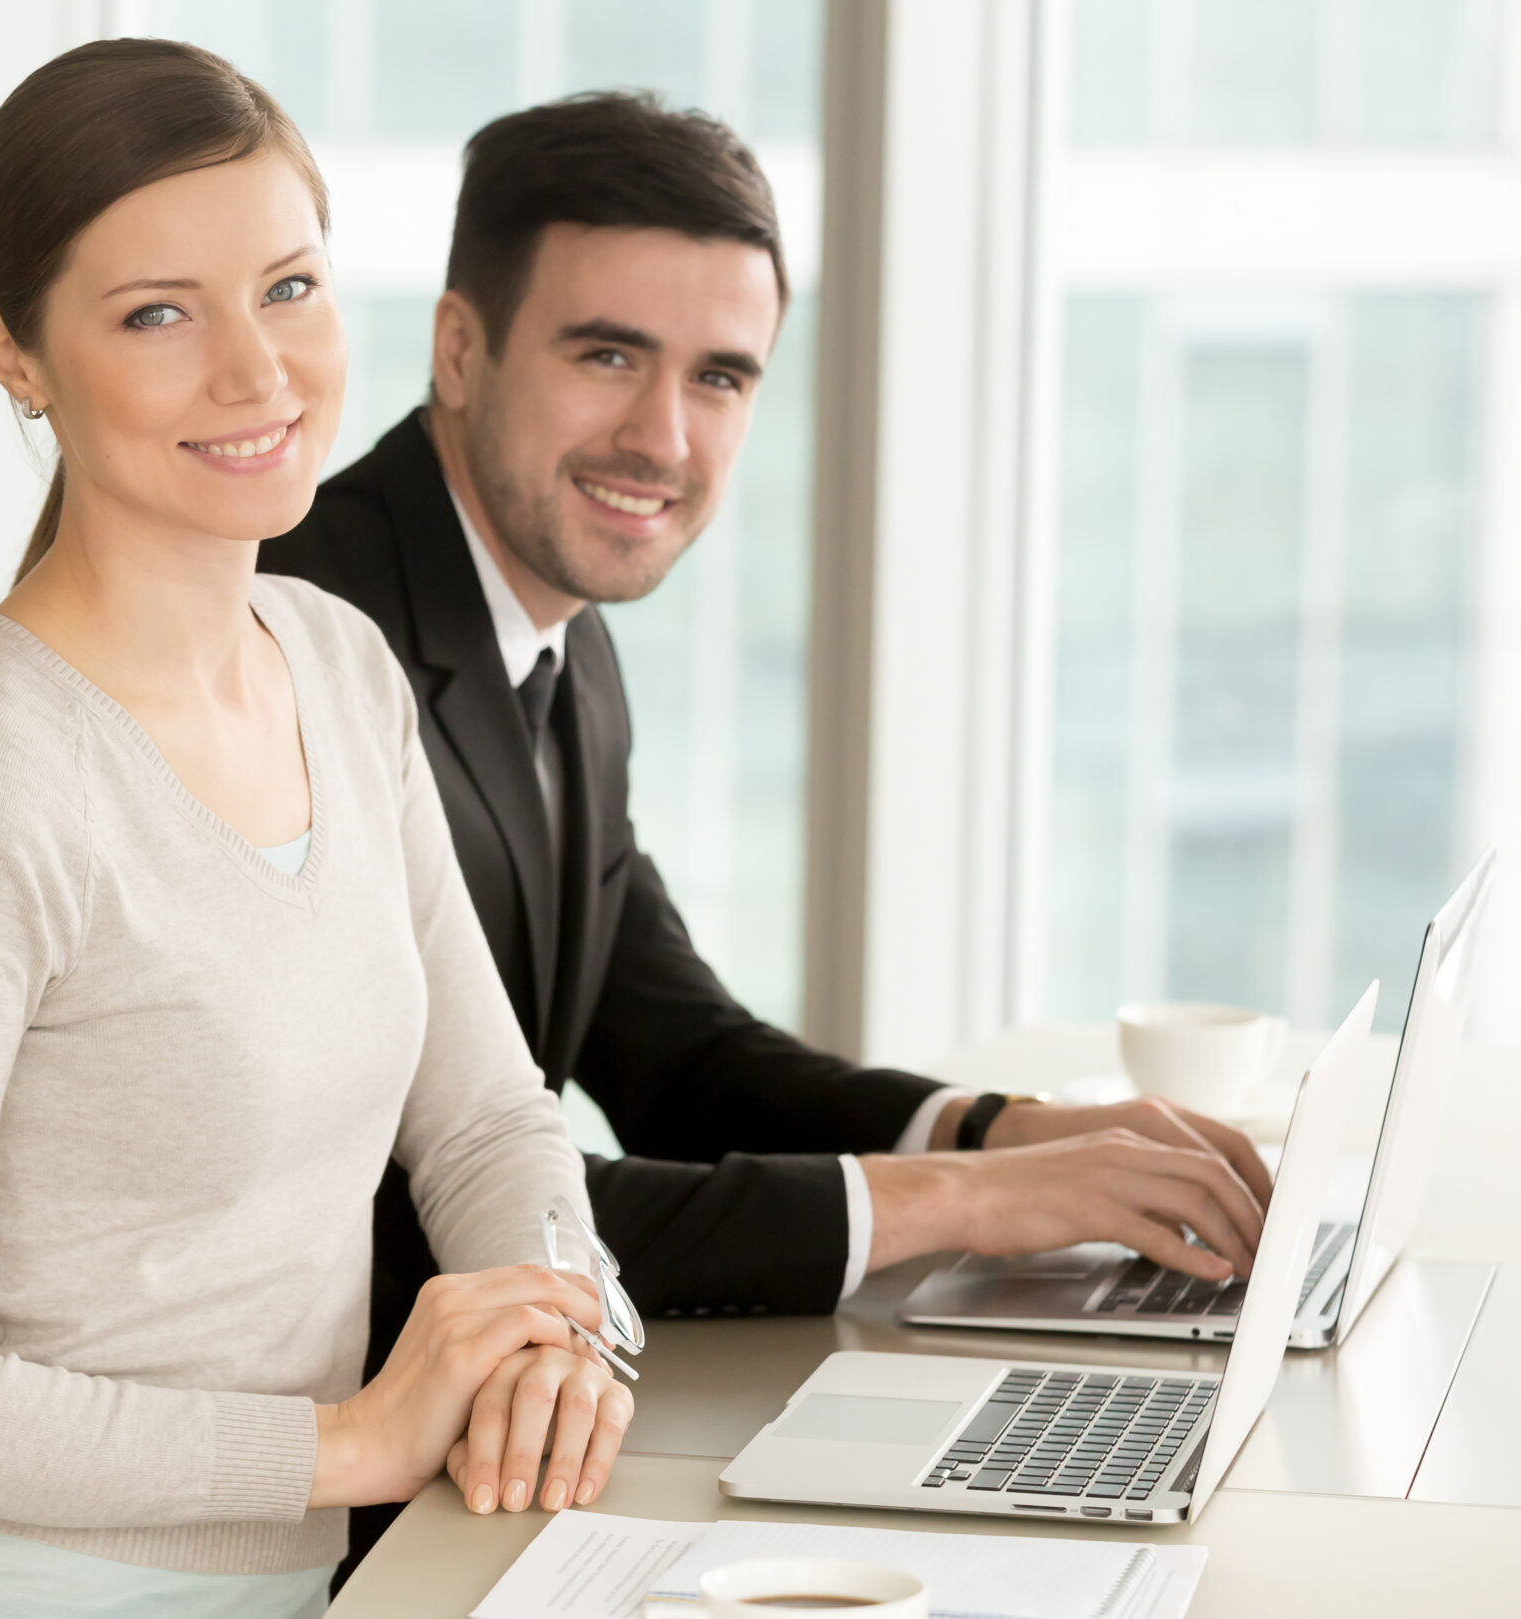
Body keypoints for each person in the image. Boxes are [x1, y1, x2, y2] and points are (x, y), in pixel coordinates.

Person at [259, 93, 1277, 1556]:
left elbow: (677, 1055)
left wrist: (1010, 1131)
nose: (662, 436)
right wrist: (971, 1203)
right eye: (608, 355)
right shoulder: (310, 634)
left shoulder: (555, 639)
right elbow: (414, 1221)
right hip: (313, 1507)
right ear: (459, 348)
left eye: (721, 376)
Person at [0, 41, 631, 1619]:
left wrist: (566, 1332)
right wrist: (351, 1440)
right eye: (157, 314)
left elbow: (489, 1121)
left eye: (290, 288)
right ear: (13, 355)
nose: (258, 373)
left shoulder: (336, 662)